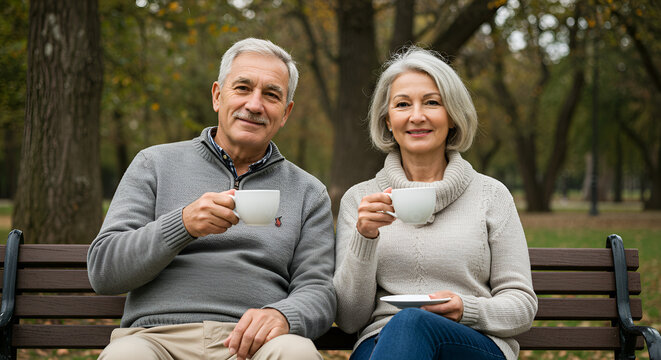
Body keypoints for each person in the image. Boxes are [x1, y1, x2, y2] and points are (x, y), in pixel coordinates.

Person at [87, 38, 336, 360]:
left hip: (257, 346)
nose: (255, 105)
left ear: (285, 112)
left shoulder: (307, 191)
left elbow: (319, 289)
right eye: (243, 88)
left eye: (271, 95)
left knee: (296, 353)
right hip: (154, 340)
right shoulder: (154, 164)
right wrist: (182, 225)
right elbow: (104, 271)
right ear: (218, 96)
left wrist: (284, 315)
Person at [333, 46, 537, 360]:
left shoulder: (491, 196)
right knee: (405, 327)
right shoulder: (360, 200)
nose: (417, 116)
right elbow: (349, 319)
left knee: (412, 322)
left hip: (473, 342)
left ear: (453, 116)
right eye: (402, 104)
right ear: (388, 120)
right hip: (382, 344)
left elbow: (522, 306)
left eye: (432, 102)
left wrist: (466, 309)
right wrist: (365, 238)